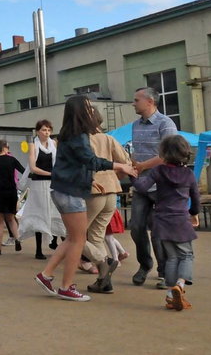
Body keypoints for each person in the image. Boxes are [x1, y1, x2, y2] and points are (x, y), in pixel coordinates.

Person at [35, 96, 135, 302]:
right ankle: (66, 287)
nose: (92, 110)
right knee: (78, 240)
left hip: (67, 190)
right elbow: (90, 161)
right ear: (82, 111)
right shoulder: (78, 135)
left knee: (73, 238)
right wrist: (120, 166)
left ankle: (46, 275)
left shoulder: (68, 134)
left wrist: (89, 182)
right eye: (89, 107)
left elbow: (75, 165)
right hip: (70, 193)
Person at [132, 135, 200, 311]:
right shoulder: (189, 174)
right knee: (186, 255)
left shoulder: (158, 171)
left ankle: (171, 294)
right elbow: (195, 198)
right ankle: (179, 285)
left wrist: (132, 175)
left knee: (171, 257)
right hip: (181, 219)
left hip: (161, 219)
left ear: (163, 153)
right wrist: (194, 214)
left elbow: (141, 187)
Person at [129, 87, 178, 288]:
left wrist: (142, 166)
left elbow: (169, 154)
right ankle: (145, 264)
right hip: (141, 185)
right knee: (136, 226)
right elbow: (136, 152)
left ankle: (165, 270)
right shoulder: (135, 125)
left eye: (136, 99)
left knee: (159, 229)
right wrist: (131, 163)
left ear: (149, 101)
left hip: (161, 185)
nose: (133, 103)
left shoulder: (166, 124)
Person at [84, 122, 133, 294]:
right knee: (97, 236)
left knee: (74, 236)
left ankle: (105, 261)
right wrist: (116, 173)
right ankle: (104, 281)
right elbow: (126, 161)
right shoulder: (109, 139)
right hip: (112, 189)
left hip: (93, 190)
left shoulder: (83, 140)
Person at [18, 120, 64, 260]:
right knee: (39, 213)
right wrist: (51, 174)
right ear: (38, 131)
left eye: (49, 130)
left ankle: (61, 245)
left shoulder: (53, 144)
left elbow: (58, 163)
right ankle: (38, 250)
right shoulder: (33, 145)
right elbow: (33, 168)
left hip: (52, 183)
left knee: (56, 213)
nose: (47, 133)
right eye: (44, 130)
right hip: (38, 184)